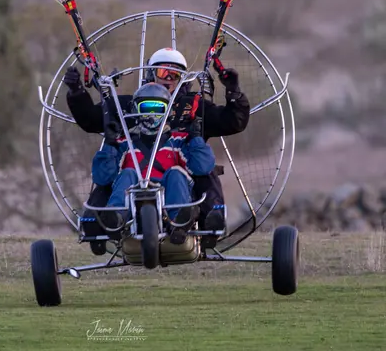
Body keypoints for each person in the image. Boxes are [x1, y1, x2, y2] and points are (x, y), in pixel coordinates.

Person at [65, 46, 250, 253]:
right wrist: (77, 92)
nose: (169, 78)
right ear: (152, 73)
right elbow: (90, 119)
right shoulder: (130, 104)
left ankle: (206, 220)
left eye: (175, 74)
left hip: (186, 169)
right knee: (119, 174)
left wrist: (233, 92)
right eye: (164, 72)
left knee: (198, 172)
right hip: (135, 173)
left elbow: (233, 122)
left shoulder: (195, 106)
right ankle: (104, 221)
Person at [90, 82, 216, 245]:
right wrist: (110, 144)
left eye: (157, 109)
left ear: (167, 112)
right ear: (136, 110)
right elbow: (102, 177)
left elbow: (203, 167)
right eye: (146, 108)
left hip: (169, 191)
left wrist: (195, 138)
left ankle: (179, 221)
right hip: (134, 194)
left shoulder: (177, 141)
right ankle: (116, 218)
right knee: (128, 173)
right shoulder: (124, 143)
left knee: (176, 172)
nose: (151, 114)